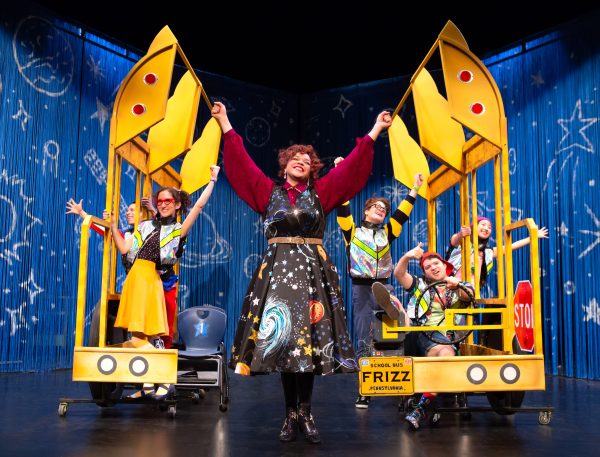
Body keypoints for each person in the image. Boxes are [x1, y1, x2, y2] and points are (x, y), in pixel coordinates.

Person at [211, 101, 391, 443]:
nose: (301, 162)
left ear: (313, 171)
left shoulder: (322, 194)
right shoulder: (268, 193)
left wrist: (376, 130)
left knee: (307, 346)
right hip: (277, 273)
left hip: (312, 274)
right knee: (286, 346)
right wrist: (224, 122)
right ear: (284, 166)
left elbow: (351, 169)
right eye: (295, 158)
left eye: (307, 161)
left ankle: (306, 412)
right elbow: (242, 166)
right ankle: (289, 414)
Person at [109, 165, 220, 400]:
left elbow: (198, 206)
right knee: (137, 339)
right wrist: (111, 225)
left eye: (169, 200)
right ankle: (150, 380)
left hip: (152, 280)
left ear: (177, 204)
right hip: (135, 279)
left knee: (149, 337)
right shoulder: (145, 225)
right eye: (160, 200)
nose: (164, 203)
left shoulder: (179, 229)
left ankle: (165, 378)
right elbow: (125, 248)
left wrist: (212, 181)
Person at [334, 164, 423, 409]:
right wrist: (343, 171)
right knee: (364, 339)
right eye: (377, 208)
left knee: (393, 335)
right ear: (365, 211)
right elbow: (342, 205)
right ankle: (364, 391)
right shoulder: (352, 230)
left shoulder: (387, 232)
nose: (382, 211)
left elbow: (403, 214)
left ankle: (402, 388)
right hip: (361, 289)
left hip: (383, 285)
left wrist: (414, 188)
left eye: (384, 209)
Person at [393, 243, 474, 430]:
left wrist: (457, 286)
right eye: (428, 267)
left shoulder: (461, 284)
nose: (433, 268)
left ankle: (421, 407)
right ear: (425, 273)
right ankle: (399, 311)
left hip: (450, 336)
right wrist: (406, 256)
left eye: (436, 264)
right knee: (445, 354)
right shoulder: (420, 285)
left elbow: (469, 296)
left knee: (441, 358)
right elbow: (399, 274)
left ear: (445, 265)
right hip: (424, 333)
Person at [446, 217, 549, 347]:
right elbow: (454, 240)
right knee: (446, 332)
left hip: (468, 300)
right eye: (483, 224)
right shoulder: (463, 245)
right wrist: (462, 234)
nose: (486, 228)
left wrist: (533, 237)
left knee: (461, 338)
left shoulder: (488, 252)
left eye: (489, 227)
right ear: (474, 227)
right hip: (450, 294)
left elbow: (510, 247)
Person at [66, 198, 157, 273]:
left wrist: (153, 210)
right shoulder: (126, 235)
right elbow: (104, 230)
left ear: (143, 214)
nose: (127, 213)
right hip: (132, 280)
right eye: (128, 210)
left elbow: (162, 226)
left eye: (132, 210)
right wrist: (81, 212)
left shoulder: (150, 228)